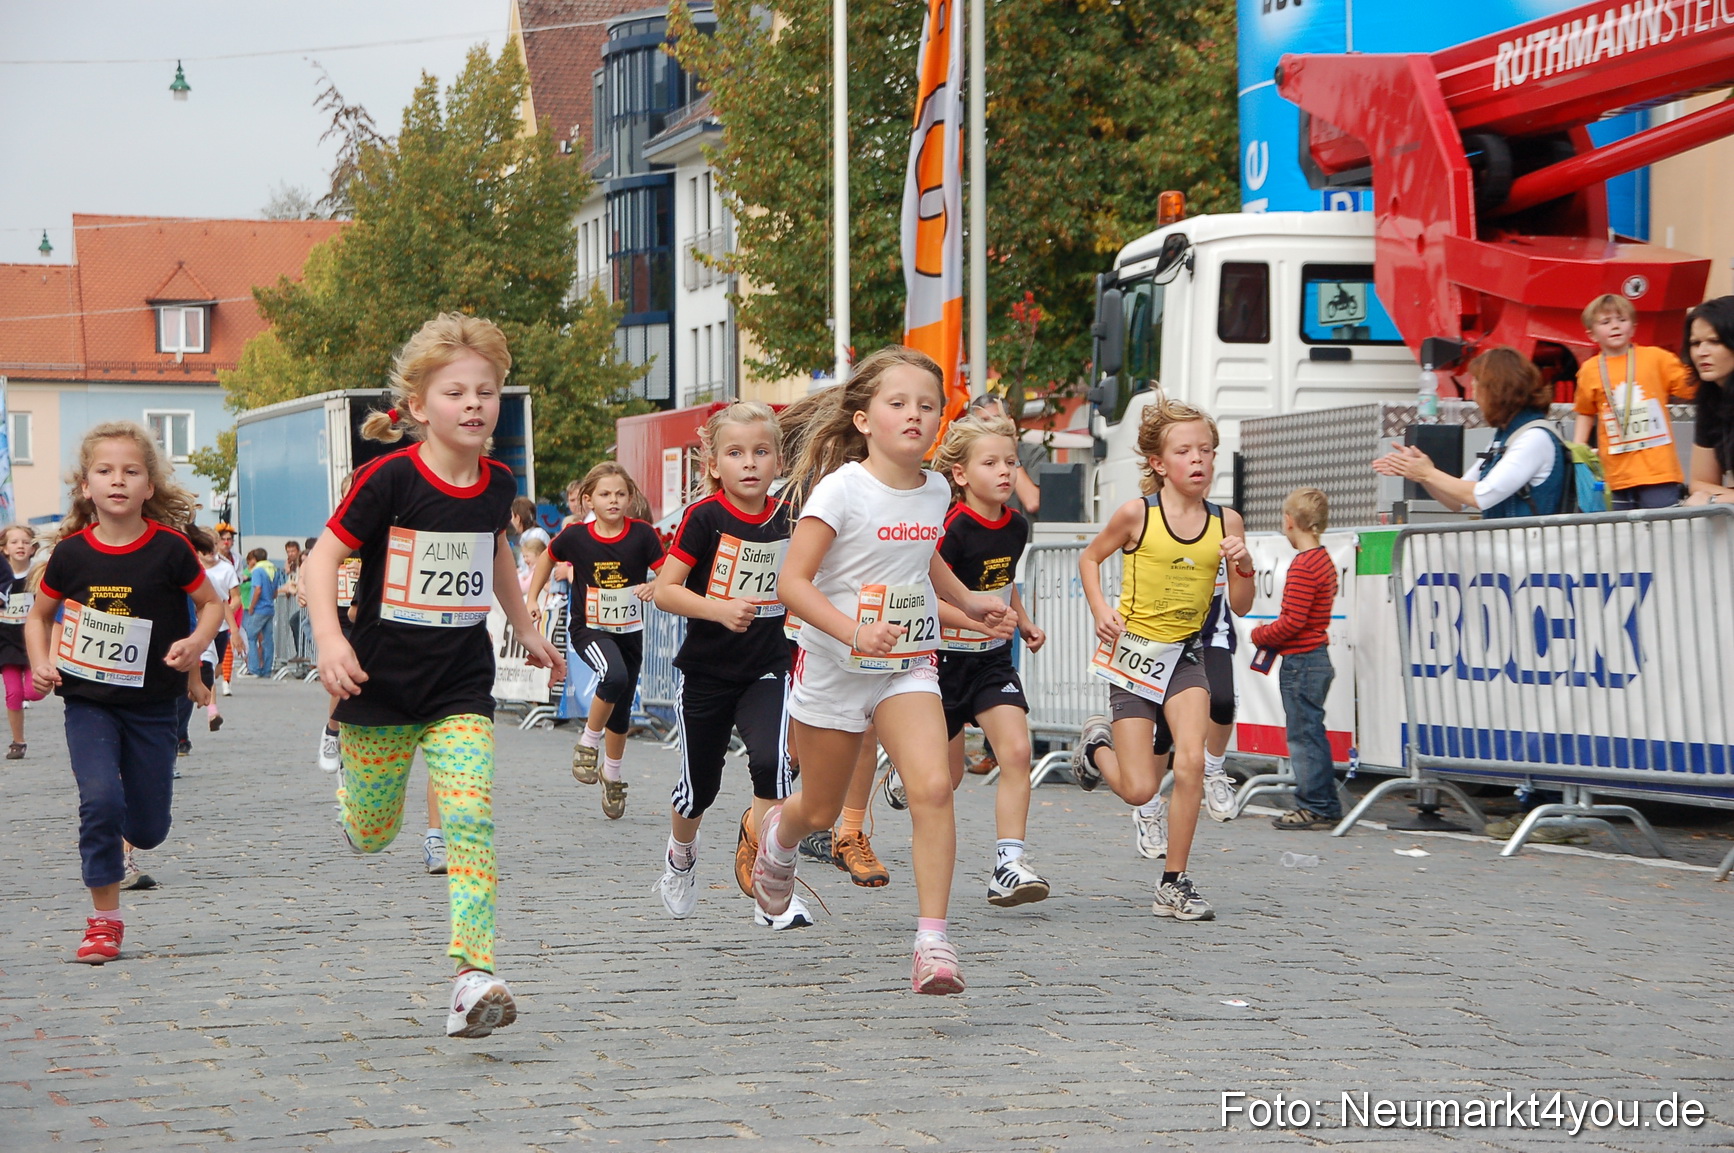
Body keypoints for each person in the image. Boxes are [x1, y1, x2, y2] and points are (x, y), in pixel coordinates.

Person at [302, 312, 564, 1040]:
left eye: (487, 391)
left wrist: (526, 627)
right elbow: (320, 561)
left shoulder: (499, 480)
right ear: (419, 406)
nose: (475, 404)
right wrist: (329, 637)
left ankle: (471, 973)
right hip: (379, 684)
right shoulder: (387, 478)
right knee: (374, 830)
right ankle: (356, 807)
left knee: (471, 818)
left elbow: (497, 555)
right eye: (456, 392)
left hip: (458, 684)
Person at [752, 345, 1012, 994]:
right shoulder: (841, 489)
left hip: (906, 662)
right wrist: (851, 628)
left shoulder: (933, 490)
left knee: (932, 787)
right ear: (865, 419)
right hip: (837, 663)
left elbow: (923, 559)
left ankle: (932, 943)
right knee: (817, 808)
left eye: (928, 405)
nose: (914, 416)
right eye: (897, 404)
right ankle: (776, 839)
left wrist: (967, 600)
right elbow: (793, 580)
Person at [24, 421, 223, 963]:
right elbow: (37, 618)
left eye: (131, 471)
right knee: (100, 801)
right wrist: (42, 663)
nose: (118, 480)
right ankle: (103, 922)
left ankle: (134, 836)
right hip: (88, 703)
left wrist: (195, 642)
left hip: (155, 705)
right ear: (85, 486)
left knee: (149, 827)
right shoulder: (70, 555)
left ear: (149, 486)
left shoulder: (171, 549)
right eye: (105, 471)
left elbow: (211, 605)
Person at [1071, 398, 1255, 922]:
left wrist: (1244, 567)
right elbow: (1089, 557)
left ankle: (1173, 882)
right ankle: (1096, 748)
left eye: (1207, 451)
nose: (1198, 459)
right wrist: (1101, 608)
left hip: (1185, 657)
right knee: (1139, 788)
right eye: (1185, 451)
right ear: (1158, 463)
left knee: (1192, 760)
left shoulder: (1227, 521)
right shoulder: (1137, 514)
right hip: (1133, 657)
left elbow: (1240, 605)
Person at [650, 401, 804, 926]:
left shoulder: (790, 518)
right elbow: (666, 591)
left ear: (779, 460)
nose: (749, 463)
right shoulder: (703, 517)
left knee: (773, 767)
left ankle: (772, 888)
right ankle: (680, 856)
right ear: (713, 464)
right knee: (699, 789)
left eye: (761, 452)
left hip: (768, 665)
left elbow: (805, 582)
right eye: (735, 453)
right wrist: (718, 609)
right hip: (707, 672)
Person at [924, 411, 1051, 907]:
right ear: (960, 474)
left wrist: (1023, 619)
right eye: (991, 462)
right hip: (943, 662)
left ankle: (1008, 863)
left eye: (1011, 462)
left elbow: (1002, 582)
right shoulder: (950, 529)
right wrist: (974, 621)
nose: (1005, 472)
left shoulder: (1016, 526)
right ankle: (902, 769)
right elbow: (930, 593)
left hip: (991, 661)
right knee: (947, 778)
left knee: (1017, 751)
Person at [528, 462, 663, 820]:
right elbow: (546, 558)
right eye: (605, 494)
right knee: (614, 677)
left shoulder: (643, 535)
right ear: (589, 500)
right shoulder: (576, 537)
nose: (613, 500)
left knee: (621, 707)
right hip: (589, 629)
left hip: (630, 631)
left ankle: (612, 774)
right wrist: (532, 599)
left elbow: (668, 575)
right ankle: (587, 744)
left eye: (620, 494)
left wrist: (658, 585)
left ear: (630, 497)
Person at [1372, 347, 1568, 518]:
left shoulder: (1534, 438)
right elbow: (1457, 501)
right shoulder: (1505, 436)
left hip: (1531, 554)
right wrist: (1420, 474)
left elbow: (1481, 496)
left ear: (1497, 390)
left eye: (1477, 384)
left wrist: (1428, 473)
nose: (1472, 393)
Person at [1249, 488, 1340, 830]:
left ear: (1289, 521)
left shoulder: (1303, 565)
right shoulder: (1324, 560)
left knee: (1303, 735)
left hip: (1301, 660)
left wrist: (1259, 635)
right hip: (1317, 656)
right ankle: (1324, 802)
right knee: (1312, 732)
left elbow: (1292, 622)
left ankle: (1314, 806)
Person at [1572, 294, 1695, 510]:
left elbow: (1691, 387)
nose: (1615, 326)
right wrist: (1579, 448)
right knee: (1624, 534)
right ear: (1591, 334)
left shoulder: (1656, 358)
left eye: (1622, 319)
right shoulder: (1589, 370)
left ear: (1634, 327)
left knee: (1662, 528)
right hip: (1617, 473)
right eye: (1606, 322)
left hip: (1658, 470)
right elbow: (1585, 410)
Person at [1683, 296, 1734, 506]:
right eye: (1695, 343)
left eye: (1714, 341)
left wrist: (1713, 499)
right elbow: (1700, 482)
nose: (1702, 352)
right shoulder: (1710, 399)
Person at [0, 524, 44, 759]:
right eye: (14, 542)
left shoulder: (38, 575)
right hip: (6, 644)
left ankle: (27, 693)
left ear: (33, 547)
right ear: (4, 549)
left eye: (25, 542)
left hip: (32, 643)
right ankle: (18, 741)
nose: (20, 546)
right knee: (13, 693)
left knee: (34, 691)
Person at [241, 548, 278, 676]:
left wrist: (252, 606)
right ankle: (267, 669)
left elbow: (257, 589)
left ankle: (254, 668)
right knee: (268, 639)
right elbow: (275, 592)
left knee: (251, 637)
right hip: (270, 608)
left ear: (255, 559)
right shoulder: (273, 570)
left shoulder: (258, 570)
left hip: (259, 608)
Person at [279, 539, 307, 661]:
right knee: (296, 622)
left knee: (297, 622)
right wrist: (287, 572)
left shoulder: (302, 565)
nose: (290, 554)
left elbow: (295, 584)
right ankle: (300, 652)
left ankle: (304, 653)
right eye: (288, 551)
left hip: (305, 603)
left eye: (293, 551)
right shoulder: (291, 566)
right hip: (298, 602)